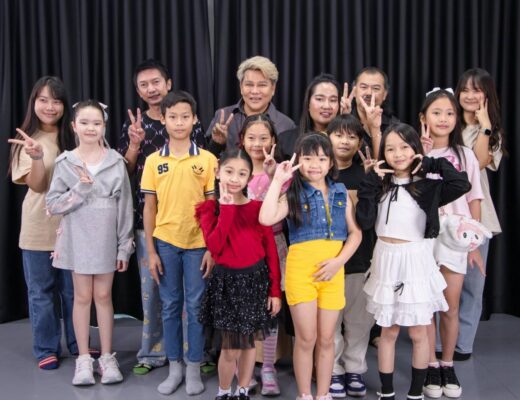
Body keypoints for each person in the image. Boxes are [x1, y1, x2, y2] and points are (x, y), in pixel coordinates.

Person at [356, 123, 471, 400]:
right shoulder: (379, 185)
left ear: (416, 150)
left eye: (405, 147)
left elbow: (461, 184)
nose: (398, 154)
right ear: (383, 153)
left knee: (419, 332)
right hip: (386, 259)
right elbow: (365, 221)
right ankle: (386, 392)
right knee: (389, 331)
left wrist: (431, 163)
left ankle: (416, 393)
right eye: (390, 149)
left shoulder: (428, 186)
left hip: (415, 260)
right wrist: (370, 181)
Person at [117, 59, 206, 375]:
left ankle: (194, 354)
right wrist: (134, 144)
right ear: (138, 90)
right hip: (151, 220)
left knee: (192, 295)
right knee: (154, 292)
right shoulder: (135, 125)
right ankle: (153, 354)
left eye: (156, 82)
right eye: (143, 85)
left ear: (168, 83)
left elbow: (204, 168)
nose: (151, 89)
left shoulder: (189, 121)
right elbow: (125, 170)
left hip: (191, 225)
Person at [259, 134, 362, 400]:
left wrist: (338, 261)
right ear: (297, 161)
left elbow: (355, 233)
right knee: (307, 339)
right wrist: (277, 181)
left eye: (321, 158)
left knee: (327, 339)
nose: (314, 164)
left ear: (331, 163)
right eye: (307, 158)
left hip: (333, 272)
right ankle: (305, 394)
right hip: (301, 272)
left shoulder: (340, 192)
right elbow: (266, 218)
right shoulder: (293, 193)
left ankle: (323, 394)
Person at [46, 100, 134, 385]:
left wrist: (124, 246)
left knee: (104, 296)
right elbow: (53, 205)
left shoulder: (116, 162)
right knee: (82, 297)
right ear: (74, 126)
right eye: (84, 122)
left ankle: (107, 357)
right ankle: (84, 358)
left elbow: (125, 208)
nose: (90, 128)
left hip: (106, 238)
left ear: (104, 126)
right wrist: (81, 188)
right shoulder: (65, 162)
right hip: (78, 237)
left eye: (96, 123)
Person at [141, 90, 217, 395]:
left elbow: (213, 208)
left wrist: (211, 247)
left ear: (195, 119)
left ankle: (194, 366)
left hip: (198, 244)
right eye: (173, 116)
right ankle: (174, 368)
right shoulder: (152, 161)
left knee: (196, 306)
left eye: (185, 116)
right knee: (170, 306)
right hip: (166, 243)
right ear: (163, 119)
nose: (179, 122)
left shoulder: (208, 159)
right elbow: (149, 208)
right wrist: (151, 251)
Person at [196, 148, 282, 400]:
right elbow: (215, 247)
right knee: (231, 348)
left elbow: (271, 253)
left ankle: (243, 390)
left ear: (249, 178)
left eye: (242, 174)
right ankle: (224, 392)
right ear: (218, 172)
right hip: (227, 284)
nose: (234, 179)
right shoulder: (209, 209)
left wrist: (274, 291)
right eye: (229, 172)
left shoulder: (258, 209)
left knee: (248, 345)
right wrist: (227, 208)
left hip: (255, 282)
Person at [419, 89, 484, 399]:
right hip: (423, 236)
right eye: (436, 112)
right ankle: (431, 364)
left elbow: (474, 199)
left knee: (450, 304)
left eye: (449, 113)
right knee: (426, 305)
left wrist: (474, 244)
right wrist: (422, 156)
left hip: (455, 239)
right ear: (423, 118)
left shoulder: (465, 155)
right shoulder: (414, 152)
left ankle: (447, 364)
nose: (443, 119)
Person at [9, 76, 77, 370]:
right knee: (41, 294)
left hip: (73, 229)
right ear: (33, 102)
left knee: (74, 293)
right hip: (38, 228)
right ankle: (46, 348)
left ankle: (78, 344)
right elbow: (37, 186)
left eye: (56, 101)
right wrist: (36, 156)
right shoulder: (26, 140)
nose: (50, 107)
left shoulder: (75, 135)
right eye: (43, 100)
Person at [452, 68, 504, 360]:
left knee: (472, 285)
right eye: (465, 89)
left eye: (477, 90)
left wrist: (484, 127)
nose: (470, 96)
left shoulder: (491, 131)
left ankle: (464, 344)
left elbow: (480, 162)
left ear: (487, 95)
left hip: (478, 215)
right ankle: (441, 341)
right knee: (443, 282)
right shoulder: (448, 122)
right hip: (445, 212)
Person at [238, 114, 288, 395]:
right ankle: (242, 368)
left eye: (263, 138)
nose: (257, 144)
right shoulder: (235, 169)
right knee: (243, 310)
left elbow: (286, 202)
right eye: (251, 138)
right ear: (242, 140)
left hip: (273, 247)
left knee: (271, 308)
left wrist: (273, 177)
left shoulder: (280, 172)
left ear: (273, 141)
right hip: (242, 250)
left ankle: (268, 366)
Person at [326, 115, 376, 398]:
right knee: (330, 322)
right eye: (338, 135)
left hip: (360, 260)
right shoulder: (318, 172)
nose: (344, 141)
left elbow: (368, 221)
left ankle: (355, 368)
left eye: (352, 136)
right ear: (328, 137)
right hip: (326, 261)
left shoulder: (365, 174)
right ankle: (333, 369)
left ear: (359, 142)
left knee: (359, 320)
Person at [207, 55, 295, 157]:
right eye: (249, 84)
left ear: (273, 89)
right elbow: (205, 159)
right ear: (241, 87)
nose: (255, 91)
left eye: (262, 85)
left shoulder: (286, 125)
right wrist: (217, 144)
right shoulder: (223, 116)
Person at [277, 73, 341, 160]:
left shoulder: (345, 142)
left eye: (333, 100)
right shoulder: (286, 140)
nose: (327, 106)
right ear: (308, 103)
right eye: (319, 99)